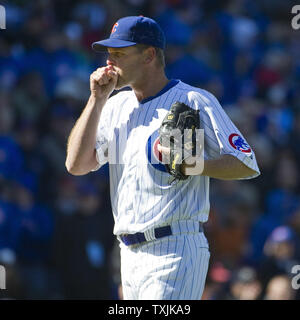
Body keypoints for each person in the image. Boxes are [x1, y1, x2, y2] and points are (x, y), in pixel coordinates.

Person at [65, 16, 260, 300]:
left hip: (175, 248)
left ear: (149, 55)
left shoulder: (193, 100)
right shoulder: (115, 105)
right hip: (128, 254)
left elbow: (246, 163)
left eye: (119, 54)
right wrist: (96, 99)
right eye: (109, 54)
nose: (110, 62)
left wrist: (196, 165)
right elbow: (76, 164)